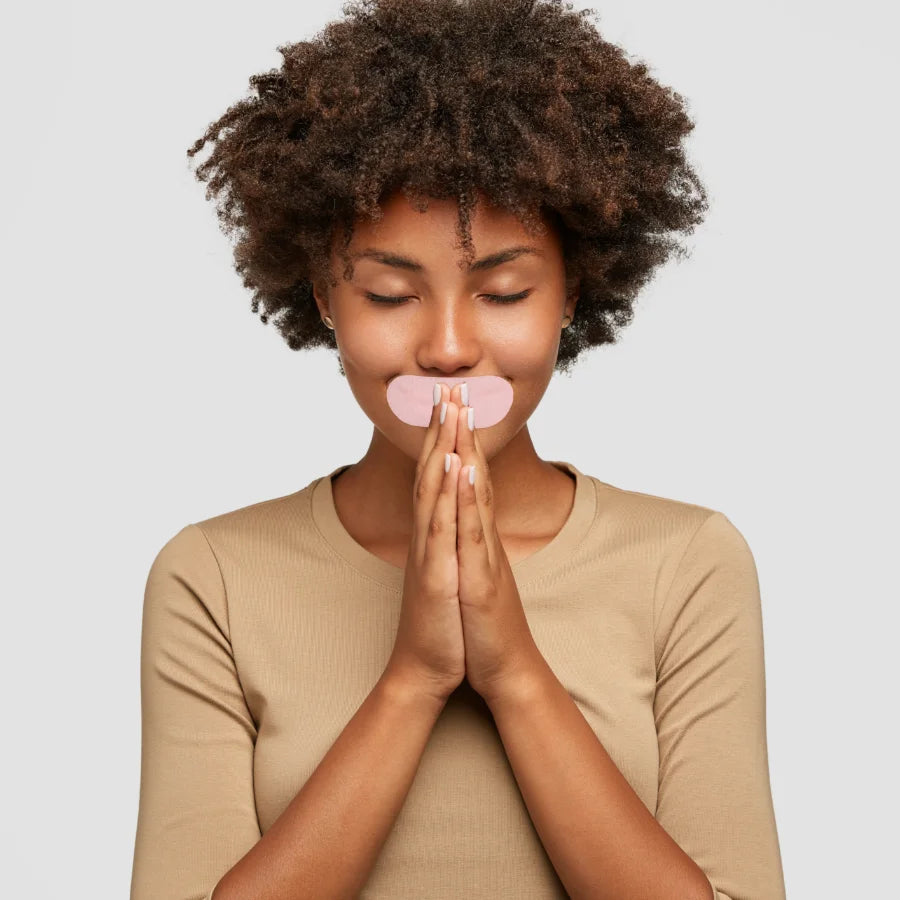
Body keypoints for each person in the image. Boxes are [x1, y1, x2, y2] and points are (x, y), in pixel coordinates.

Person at [130, 1, 786, 898]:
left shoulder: (688, 565)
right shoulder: (213, 577)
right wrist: (415, 677)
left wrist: (513, 668)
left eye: (505, 291)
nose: (446, 347)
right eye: (392, 295)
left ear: (571, 291)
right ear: (324, 295)